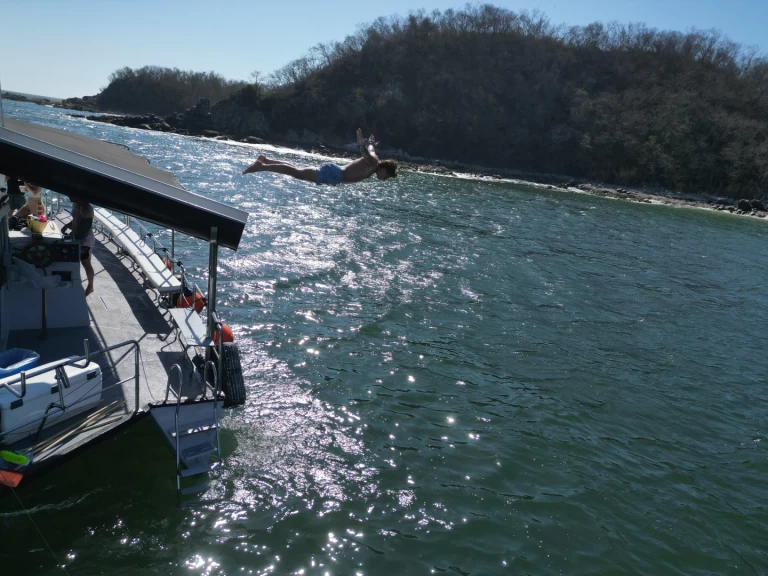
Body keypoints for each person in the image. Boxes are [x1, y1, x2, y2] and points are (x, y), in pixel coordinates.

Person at [243, 129, 398, 185]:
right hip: (333, 174)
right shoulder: (374, 162)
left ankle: (267, 161)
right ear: (385, 169)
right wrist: (361, 144)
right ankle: (262, 166)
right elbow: (365, 153)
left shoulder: (374, 159)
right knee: (296, 173)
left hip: (333, 174)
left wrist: (370, 142)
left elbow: (370, 148)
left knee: (297, 171)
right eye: (387, 176)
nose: (385, 179)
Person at [61, 198, 95, 295]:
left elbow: (83, 230)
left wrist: (73, 240)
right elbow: (75, 220)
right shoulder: (76, 204)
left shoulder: (87, 210)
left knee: (86, 263)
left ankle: (90, 286)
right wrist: (67, 225)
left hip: (85, 241)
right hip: (76, 236)